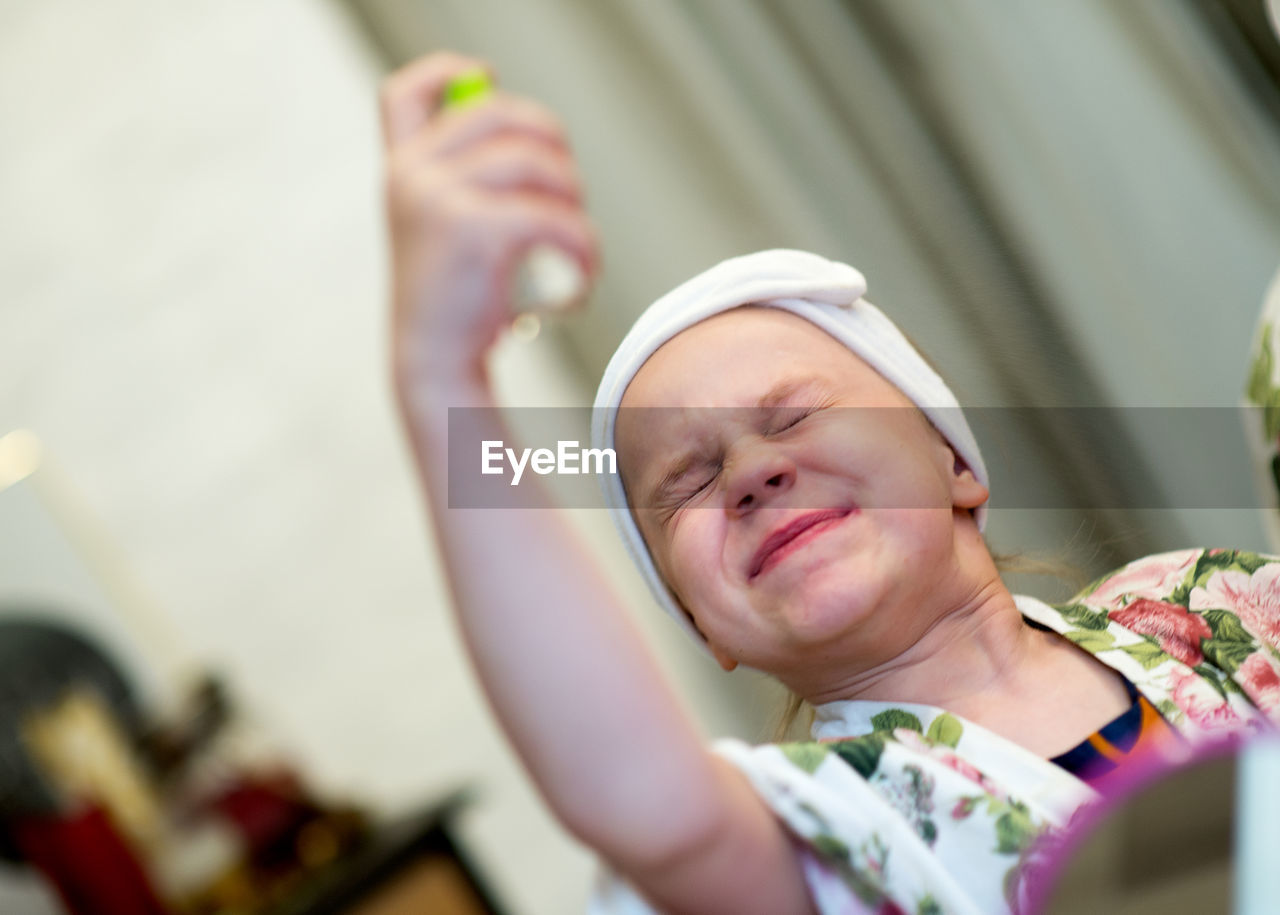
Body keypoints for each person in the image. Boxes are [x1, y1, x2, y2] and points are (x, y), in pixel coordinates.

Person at [382, 52, 1280, 914]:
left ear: (954, 459)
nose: (749, 473)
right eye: (685, 484)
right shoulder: (828, 830)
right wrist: (440, 375)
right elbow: (656, 816)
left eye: (791, 417)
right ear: (700, 622)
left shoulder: (1215, 601)